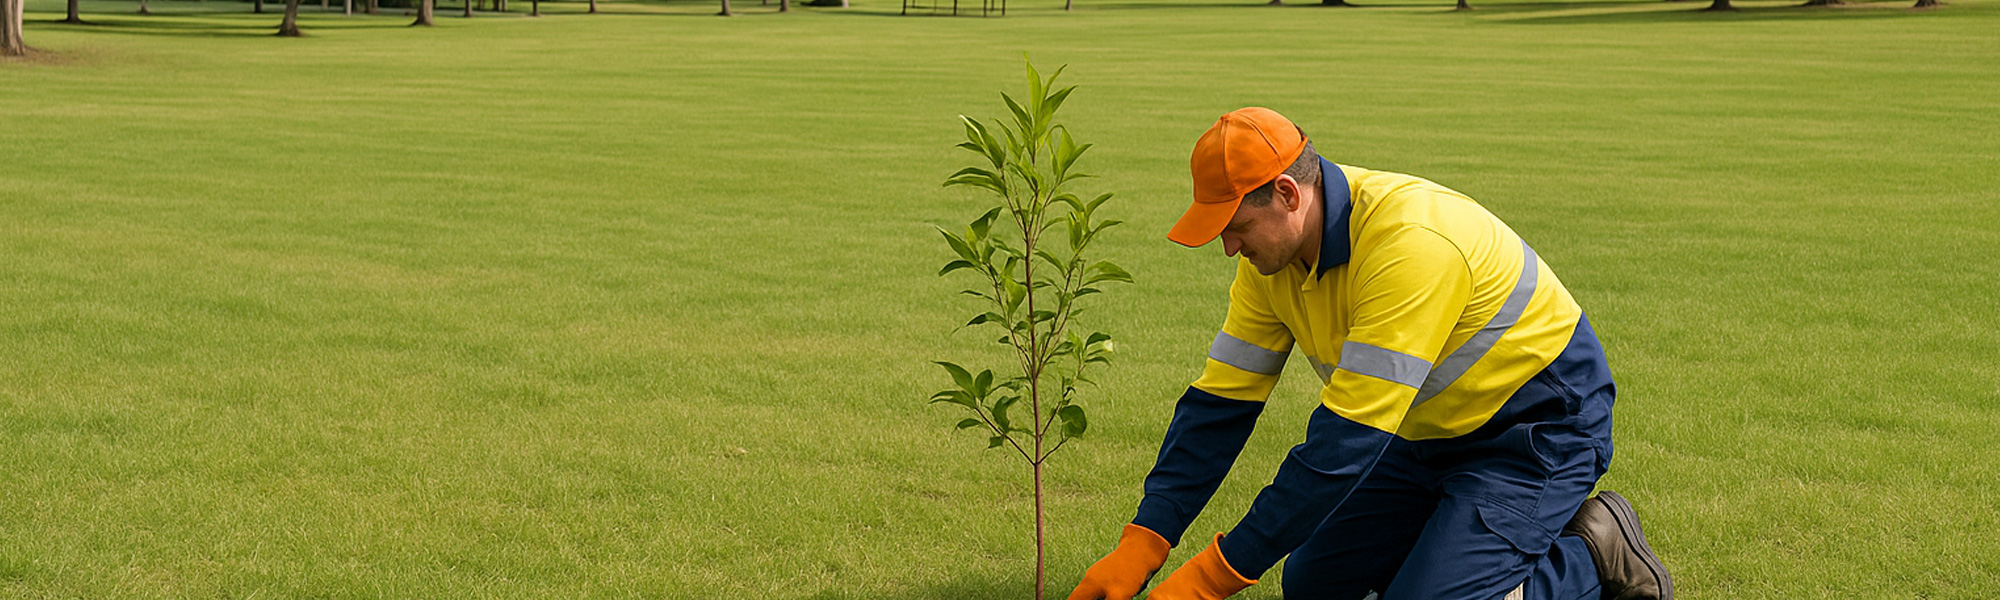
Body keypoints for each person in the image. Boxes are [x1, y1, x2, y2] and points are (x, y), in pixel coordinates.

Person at [1065, 108, 1673, 600]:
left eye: (1235, 224)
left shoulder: (1410, 245)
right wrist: (1145, 539)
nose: (1227, 246)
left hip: (1535, 434)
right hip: (1423, 438)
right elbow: (1217, 409)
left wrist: (1211, 578)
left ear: (1286, 193)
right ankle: (1454, 547)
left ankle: (1595, 551)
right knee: (1311, 584)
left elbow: (1340, 450)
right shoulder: (1269, 265)